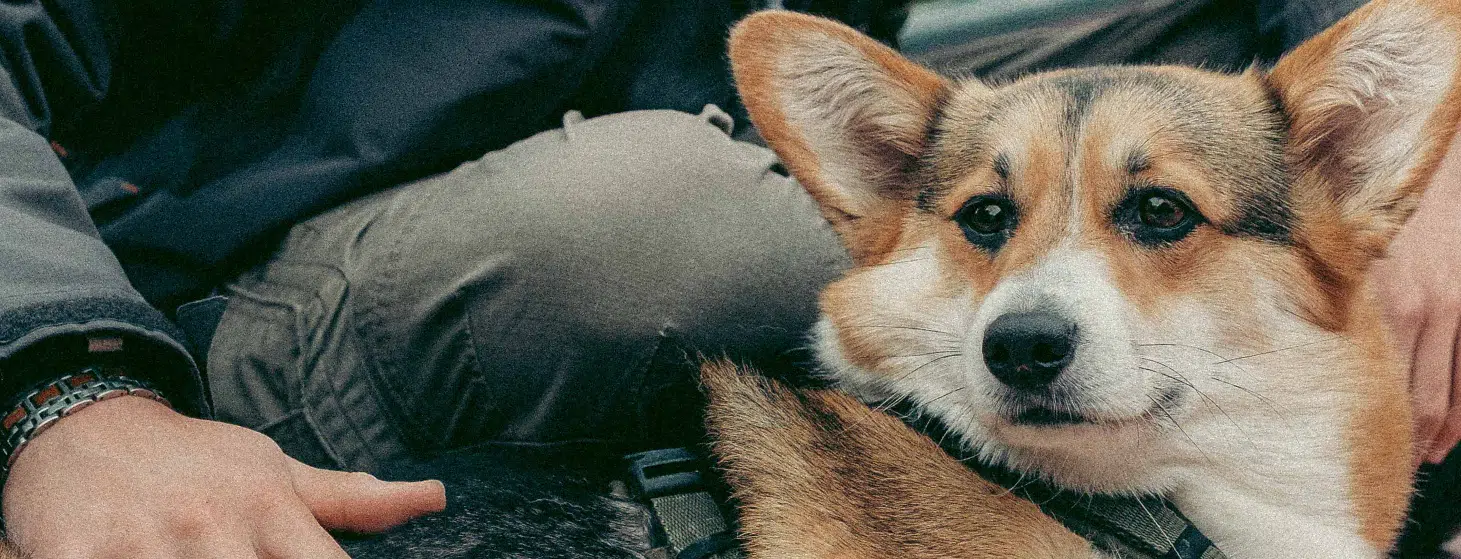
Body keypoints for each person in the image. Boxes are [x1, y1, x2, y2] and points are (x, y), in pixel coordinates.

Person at [0, 1, 1454, 559]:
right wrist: (71, 391)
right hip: (210, 328)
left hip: (643, 377)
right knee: (688, 219)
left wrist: (1437, 182)